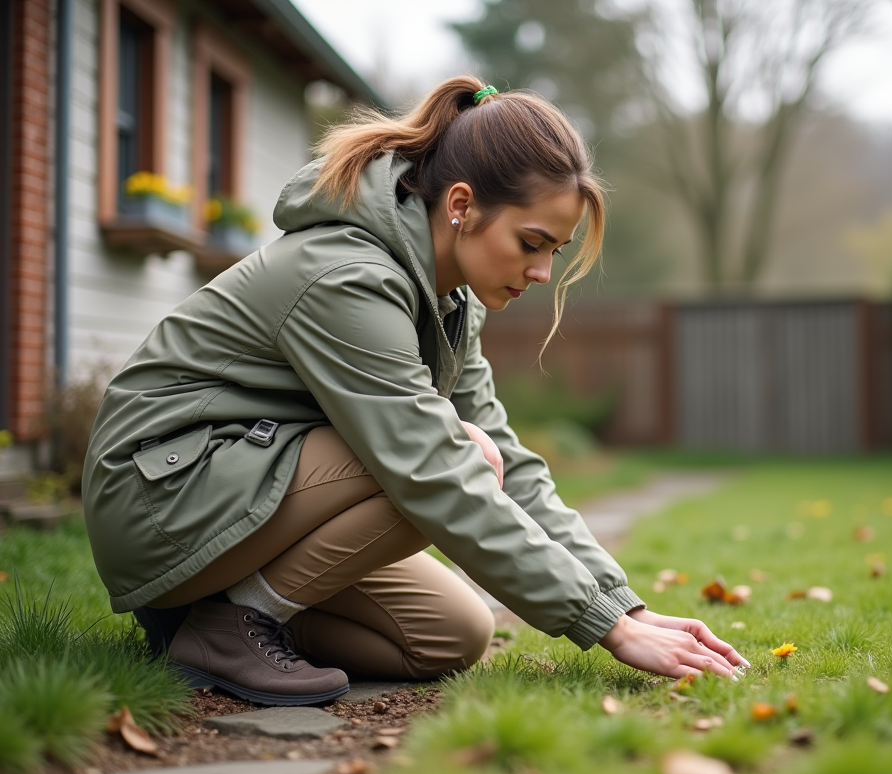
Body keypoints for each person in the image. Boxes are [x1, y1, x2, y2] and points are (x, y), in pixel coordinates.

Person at [81, 77, 748, 706]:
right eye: (531, 242)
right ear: (461, 205)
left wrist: (621, 603)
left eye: (555, 251)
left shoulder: (450, 301)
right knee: (459, 458)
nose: (543, 272)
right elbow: (433, 467)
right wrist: (609, 632)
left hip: (246, 484)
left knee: (450, 634)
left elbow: (511, 465)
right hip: (158, 495)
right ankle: (235, 623)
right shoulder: (346, 278)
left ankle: (198, 620)